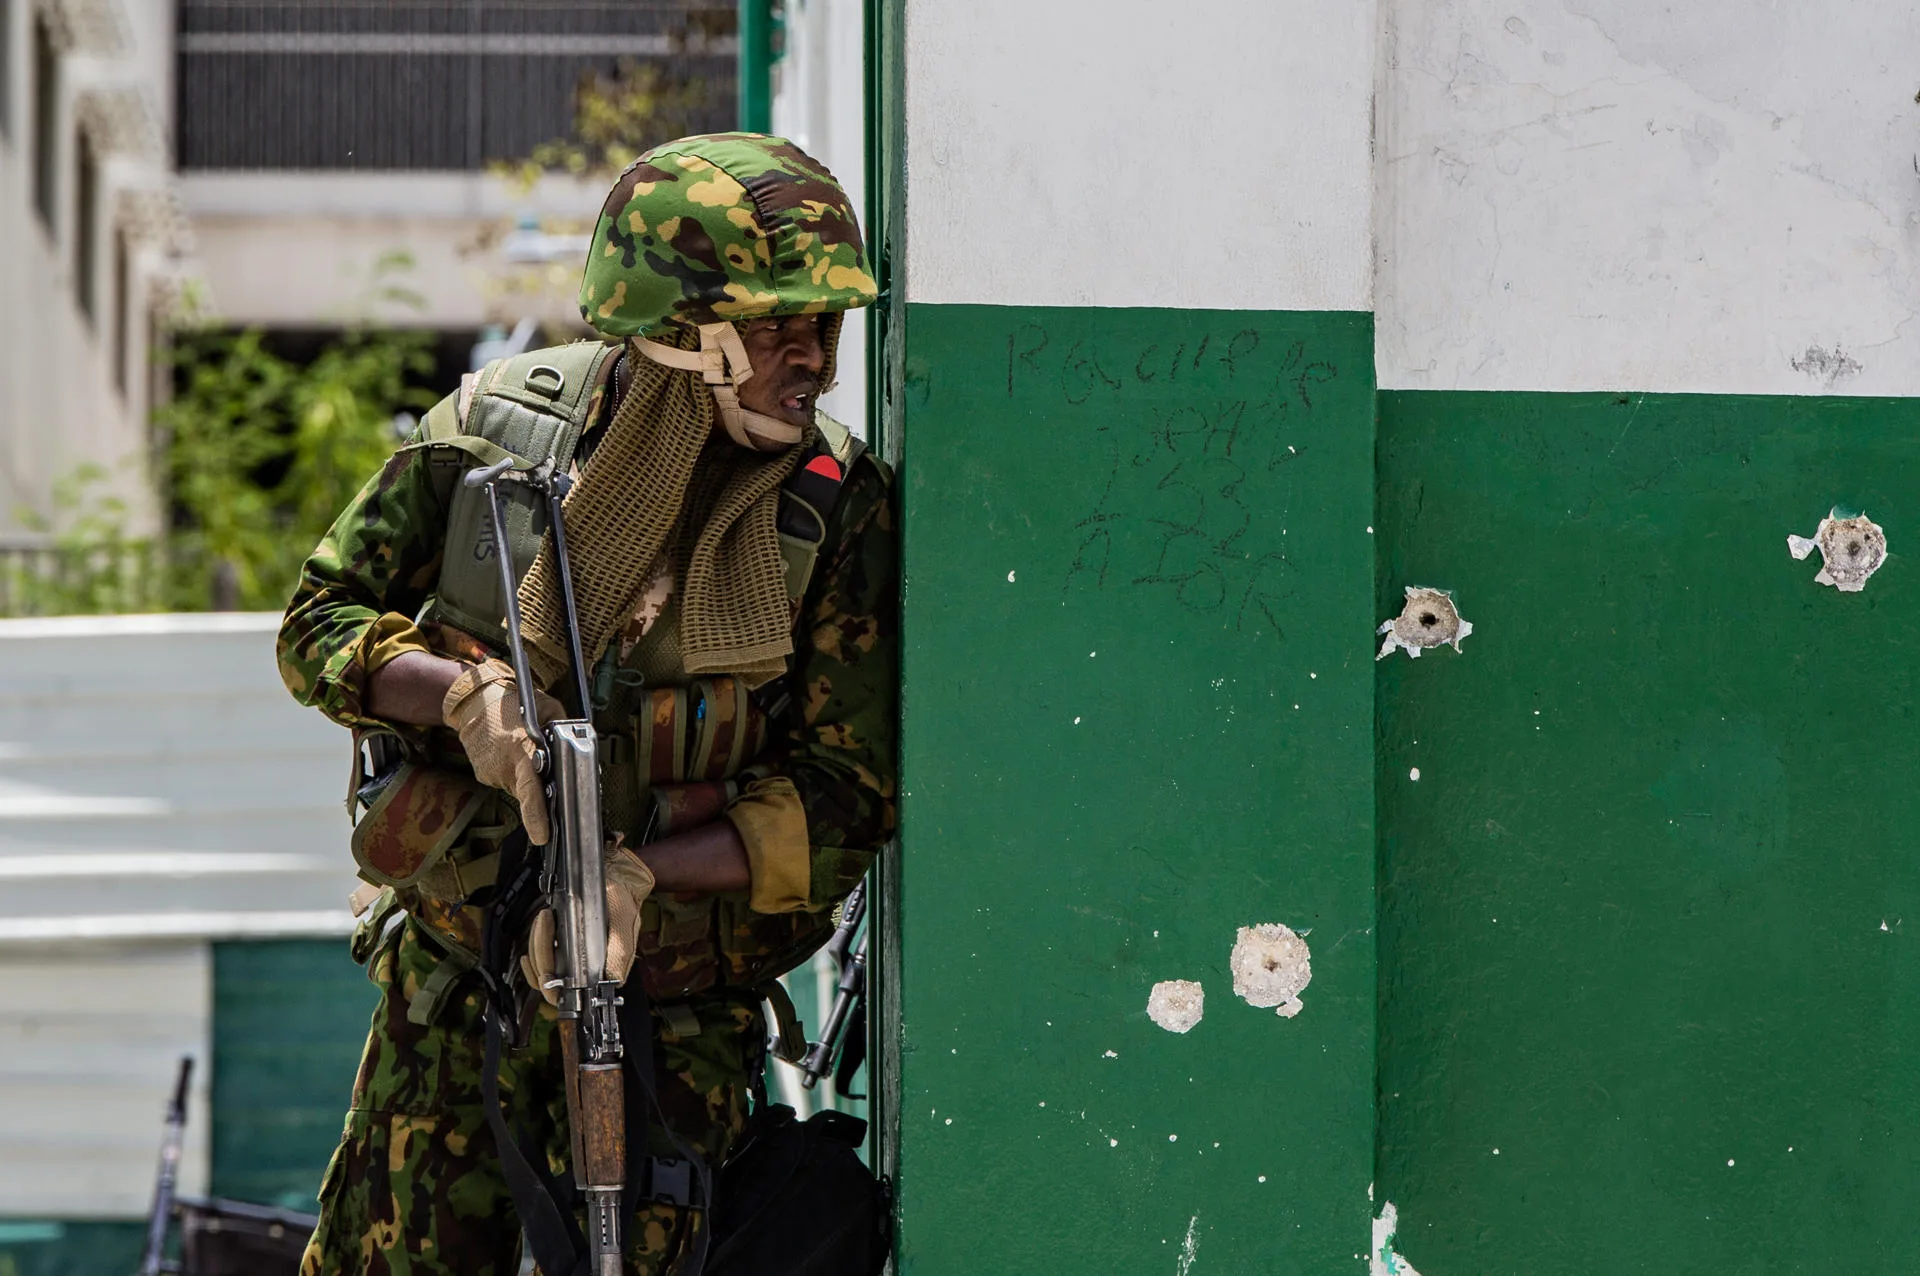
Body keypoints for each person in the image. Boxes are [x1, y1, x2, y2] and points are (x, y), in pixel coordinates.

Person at [276, 133, 896, 1275]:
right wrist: (460, 691)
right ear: (677, 332)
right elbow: (316, 626)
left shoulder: (838, 515)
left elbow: (848, 798)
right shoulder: (492, 438)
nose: (812, 357)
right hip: (457, 985)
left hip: (673, 1016)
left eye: (825, 324)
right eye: (775, 326)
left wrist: (641, 875)